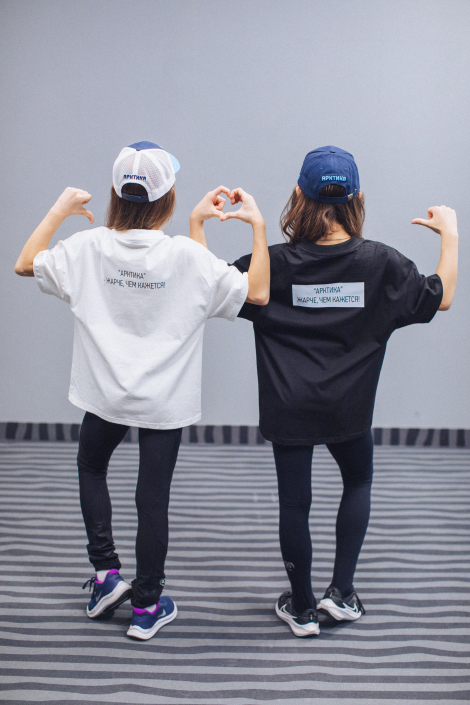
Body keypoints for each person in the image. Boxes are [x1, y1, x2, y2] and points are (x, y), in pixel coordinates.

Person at [14, 141, 270, 640]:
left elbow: (26, 264)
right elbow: (255, 292)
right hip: (164, 403)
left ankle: (106, 576)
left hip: (104, 395)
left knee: (91, 467)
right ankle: (147, 606)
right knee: (152, 499)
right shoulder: (186, 257)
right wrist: (256, 226)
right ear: (168, 199)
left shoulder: (88, 248)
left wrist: (60, 209)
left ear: (115, 194)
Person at [205, 145, 458, 637]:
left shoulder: (271, 264)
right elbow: (441, 296)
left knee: (294, 504)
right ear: (357, 198)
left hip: (288, 407)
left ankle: (301, 608)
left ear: (298, 195)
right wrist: (451, 234)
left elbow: (210, 287)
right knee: (357, 482)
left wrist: (209, 225)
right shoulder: (382, 263)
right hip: (350, 408)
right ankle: (341, 593)